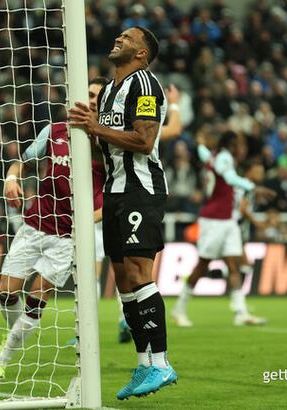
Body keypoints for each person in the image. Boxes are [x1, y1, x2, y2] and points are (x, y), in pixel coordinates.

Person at [69, 26, 177, 399]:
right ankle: (144, 363)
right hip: (113, 192)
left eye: (128, 38)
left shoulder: (144, 84)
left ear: (142, 54)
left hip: (140, 190)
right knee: (124, 282)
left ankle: (161, 363)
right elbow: (109, 140)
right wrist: (89, 130)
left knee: (139, 274)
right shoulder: (110, 91)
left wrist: (95, 127)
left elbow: (144, 141)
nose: (119, 38)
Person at [0, 78, 107, 381]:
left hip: (67, 237)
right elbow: (23, 162)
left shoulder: (107, 144)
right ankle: (15, 336)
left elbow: (113, 199)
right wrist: (11, 179)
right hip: (34, 225)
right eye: (89, 94)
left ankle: (3, 357)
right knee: (6, 293)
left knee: (36, 298)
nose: (92, 100)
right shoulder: (55, 131)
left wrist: (86, 222)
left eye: (97, 97)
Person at [172, 131, 275, 327]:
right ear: (231, 145)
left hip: (228, 220)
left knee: (233, 265)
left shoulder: (213, 156)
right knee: (203, 265)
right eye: (238, 144)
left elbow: (203, 154)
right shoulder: (224, 157)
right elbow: (229, 177)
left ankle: (240, 312)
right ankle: (179, 309)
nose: (241, 149)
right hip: (214, 220)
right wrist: (253, 187)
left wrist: (200, 143)